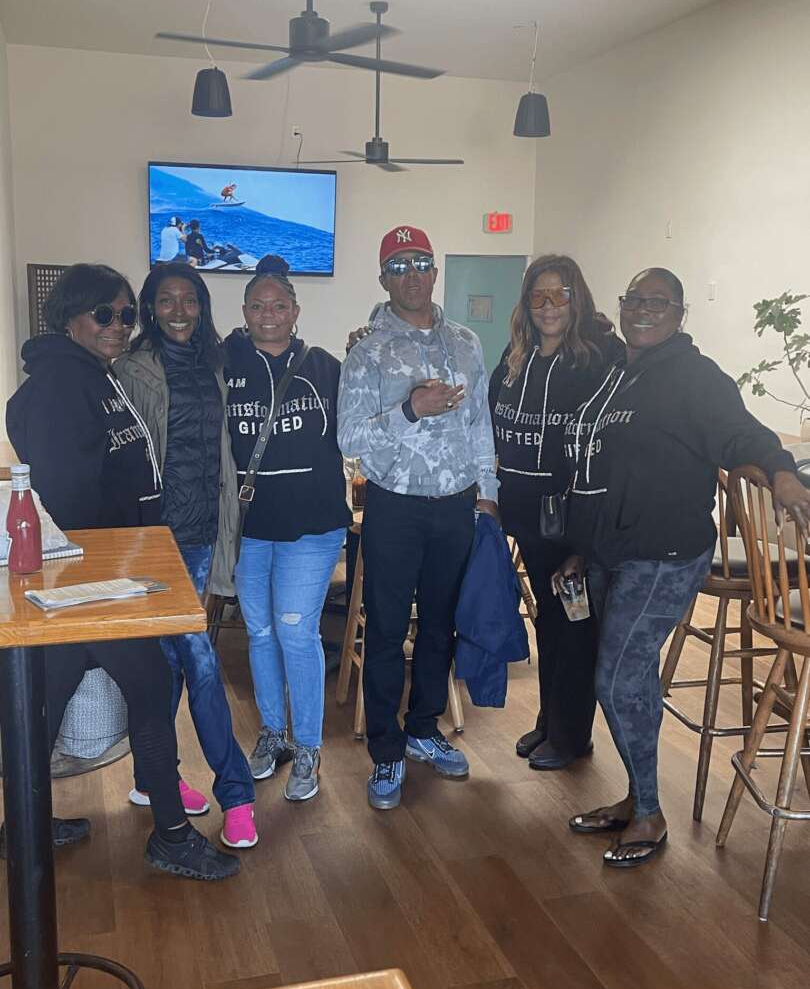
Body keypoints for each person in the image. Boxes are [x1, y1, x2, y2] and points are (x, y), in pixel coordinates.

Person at [558, 267, 810, 868]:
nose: (644, 310)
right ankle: (636, 798)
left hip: (664, 553)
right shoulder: (620, 369)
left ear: (680, 314)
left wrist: (781, 471)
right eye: (635, 300)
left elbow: (742, 433)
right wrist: (582, 544)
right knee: (632, 677)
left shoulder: (696, 377)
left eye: (659, 302)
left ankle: (648, 812)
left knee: (617, 679)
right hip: (611, 549)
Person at [5, 263, 239, 880]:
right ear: (69, 318)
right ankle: (171, 836)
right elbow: (68, 499)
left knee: (48, 700)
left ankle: (22, 826)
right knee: (150, 691)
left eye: (126, 314)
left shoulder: (93, 374)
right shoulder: (62, 386)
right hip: (93, 582)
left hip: (104, 574)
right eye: (104, 314)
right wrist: (124, 562)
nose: (118, 325)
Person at [338, 225, 498, 810]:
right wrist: (410, 408)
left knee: (440, 624)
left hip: (456, 503)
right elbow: (348, 438)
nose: (412, 275)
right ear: (384, 278)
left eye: (421, 262)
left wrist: (488, 492)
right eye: (399, 266)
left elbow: (480, 424)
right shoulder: (367, 351)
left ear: (435, 271)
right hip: (395, 506)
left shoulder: (467, 344)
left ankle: (424, 728)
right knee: (384, 630)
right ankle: (386, 750)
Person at [115, 262, 257, 849]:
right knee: (197, 659)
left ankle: (153, 778)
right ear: (150, 308)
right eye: (167, 300)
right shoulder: (130, 370)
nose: (180, 311)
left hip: (201, 534)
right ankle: (237, 793)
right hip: (153, 539)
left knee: (172, 661)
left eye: (190, 300)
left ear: (202, 306)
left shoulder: (216, 363)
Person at [489, 255, 622, 770]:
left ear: (577, 298)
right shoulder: (516, 356)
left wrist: (587, 536)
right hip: (526, 517)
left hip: (573, 522)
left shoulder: (599, 359)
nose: (548, 306)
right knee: (548, 621)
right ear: (526, 302)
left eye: (559, 294)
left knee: (575, 627)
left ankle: (571, 736)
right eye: (538, 296)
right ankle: (550, 719)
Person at [225, 256, 350, 802]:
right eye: (258, 305)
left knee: (296, 632)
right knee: (259, 633)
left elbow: (361, 425)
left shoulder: (325, 367)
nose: (268, 314)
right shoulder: (224, 366)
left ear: (296, 311)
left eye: (279, 305)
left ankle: (308, 747)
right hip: (249, 528)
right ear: (244, 311)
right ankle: (273, 733)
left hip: (312, 526)